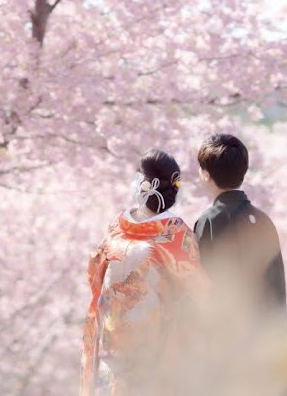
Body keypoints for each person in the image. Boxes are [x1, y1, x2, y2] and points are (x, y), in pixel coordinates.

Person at [83, 149, 204, 395]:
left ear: (144, 184)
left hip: (120, 334)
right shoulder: (176, 234)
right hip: (146, 336)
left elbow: (95, 272)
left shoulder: (119, 226)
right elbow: (198, 288)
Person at [193, 133, 287, 329]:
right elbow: (276, 284)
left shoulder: (209, 221)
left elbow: (201, 284)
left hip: (226, 338)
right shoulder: (264, 220)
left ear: (206, 175)